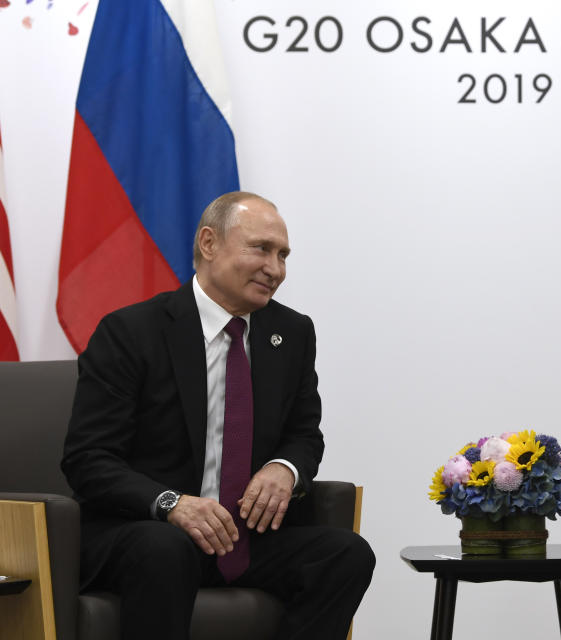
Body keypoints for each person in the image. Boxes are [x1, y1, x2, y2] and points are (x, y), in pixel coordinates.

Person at [61, 191, 375, 640]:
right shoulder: (131, 332)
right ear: (209, 244)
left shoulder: (292, 333)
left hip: (244, 537)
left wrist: (284, 469)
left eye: (283, 255)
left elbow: (304, 435)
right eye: (261, 249)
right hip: (145, 530)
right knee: (165, 548)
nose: (276, 269)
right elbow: (88, 460)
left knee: (347, 554)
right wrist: (171, 504)